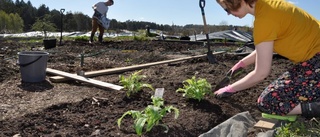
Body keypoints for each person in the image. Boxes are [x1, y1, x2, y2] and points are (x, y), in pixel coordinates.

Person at [213, 0, 320, 118]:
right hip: (311, 61)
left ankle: (316, 107)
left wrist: (230, 89)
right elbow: (265, 47)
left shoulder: (264, 21)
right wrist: (241, 64)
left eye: (226, 9)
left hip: (316, 63)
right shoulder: (268, 6)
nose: (228, 13)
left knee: (268, 102)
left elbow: (261, 73)